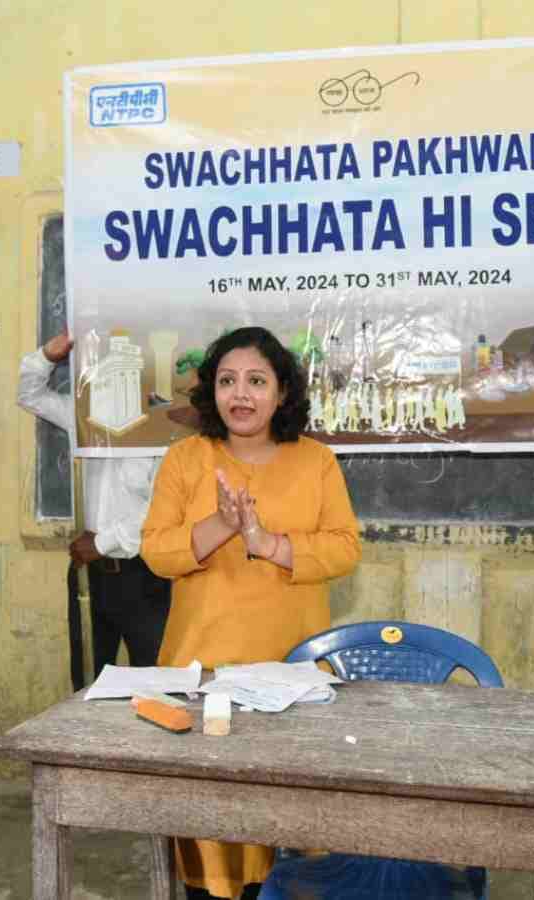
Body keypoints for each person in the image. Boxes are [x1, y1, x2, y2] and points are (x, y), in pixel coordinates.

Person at [141, 326, 361, 900]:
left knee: (290, 834)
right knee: (209, 836)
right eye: (228, 381)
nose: (241, 394)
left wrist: (266, 543)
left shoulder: (316, 461)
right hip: (201, 674)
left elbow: (344, 548)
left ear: (282, 392)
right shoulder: (185, 459)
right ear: (211, 391)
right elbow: (158, 553)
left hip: (290, 675)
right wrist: (223, 524)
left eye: (257, 381)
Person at [16, 332, 170, 680]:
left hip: (143, 576)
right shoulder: (86, 416)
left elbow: (161, 511)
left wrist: (100, 543)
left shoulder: (164, 432)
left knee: (153, 681)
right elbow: (29, 395)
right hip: (91, 575)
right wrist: (47, 356)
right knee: (87, 679)